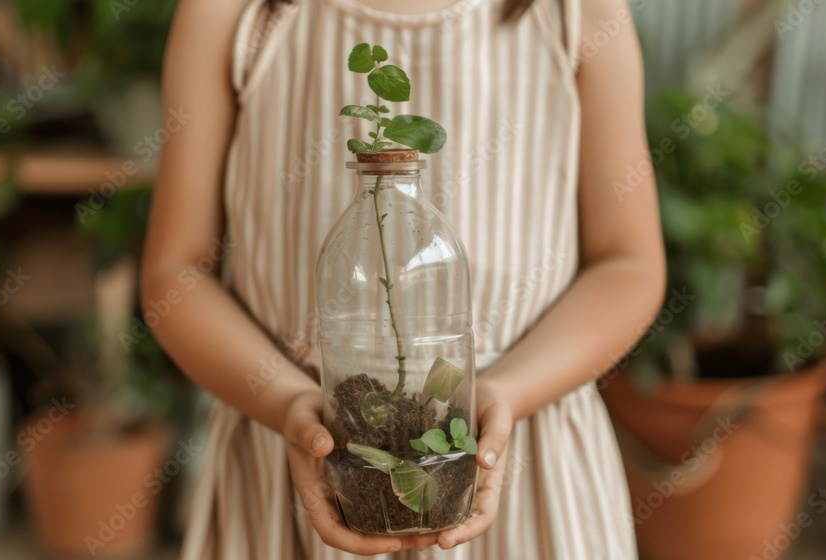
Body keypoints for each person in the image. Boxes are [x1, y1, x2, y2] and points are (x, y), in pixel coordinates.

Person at [141, 0, 665, 557]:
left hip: (528, 461)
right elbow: (176, 275)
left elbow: (628, 265)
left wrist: (503, 392)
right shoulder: (229, 13)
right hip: (298, 449)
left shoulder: (576, 13)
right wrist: (289, 402)